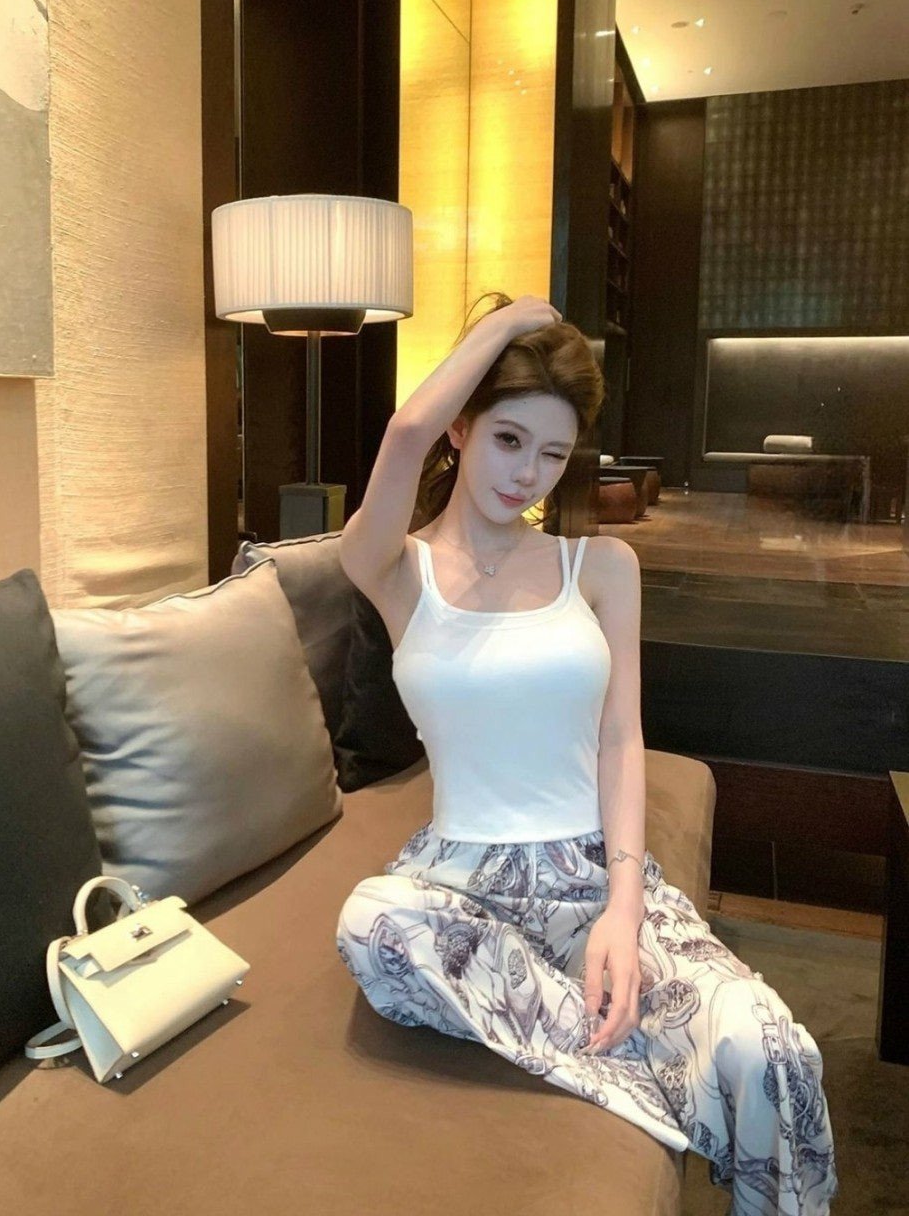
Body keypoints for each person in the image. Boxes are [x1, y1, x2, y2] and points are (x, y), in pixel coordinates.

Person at [334, 293, 837, 1216]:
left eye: (553, 453)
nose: (527, 473)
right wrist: (503, 324)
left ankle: (654, 1058)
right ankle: (668, 1082)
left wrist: (623, 906)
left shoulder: (600, 568)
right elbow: (403, 434)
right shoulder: (395, 569)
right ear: (461, 430)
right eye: (508, 439)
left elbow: (618, 736)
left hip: (587, 873)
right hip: (458, 888)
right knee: (372, 924)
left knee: (772, 1050)